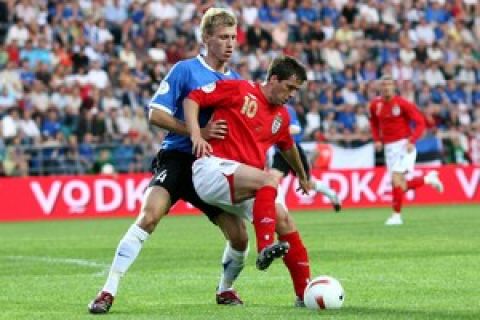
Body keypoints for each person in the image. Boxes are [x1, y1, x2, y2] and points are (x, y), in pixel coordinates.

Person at [88, 8, 249, 313]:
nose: (230, 43)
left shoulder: (238, 82)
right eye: (222, 37)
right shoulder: (185, 71)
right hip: (176, 157)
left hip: (210, 165)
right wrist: (196, 131)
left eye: (233, 37)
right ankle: (107, 291)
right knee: (149, 216)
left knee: (240, 237)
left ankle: (225, 289)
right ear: (206, 39)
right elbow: (155, 114)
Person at [184, 56, 312, 274]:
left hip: (244, 183)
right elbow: (192, 98)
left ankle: (305, 292)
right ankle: (265, 247)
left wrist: (302, 174)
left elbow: (287, 146)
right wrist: (196, 134)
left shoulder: (281, 116)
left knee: (284, 221)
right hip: (212, 168)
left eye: (296, 90)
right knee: (268, 179)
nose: (291, 94)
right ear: (273, 79)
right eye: (289, 87)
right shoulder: (239, 89)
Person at [369, 75, 444, 226]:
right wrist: (377, 139)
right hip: (389, 148)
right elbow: (374, 122)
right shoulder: (375, 105)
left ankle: (396, 216)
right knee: (400, 186)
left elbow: (420, 122)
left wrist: (412, 140)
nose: (386, 88)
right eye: (384, 85)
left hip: (404, 146)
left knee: (396, 179)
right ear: (380, 88)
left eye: (389, 85)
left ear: (394, 87)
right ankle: (428, 179)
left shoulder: (402, 104)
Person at [271, 104, 341, 212]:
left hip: (293, 150)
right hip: (279, 152)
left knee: (308, 183)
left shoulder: (287, 109)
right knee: (272, 178)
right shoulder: (265, 107)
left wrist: (277, 131)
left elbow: (296, 128)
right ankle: (280, 210)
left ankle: (332, 195)